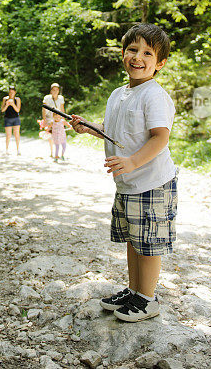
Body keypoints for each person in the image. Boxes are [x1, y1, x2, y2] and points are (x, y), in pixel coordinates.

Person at [69, 23, 177, 322]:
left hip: (152, 181)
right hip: (128, 184)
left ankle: (148, 299)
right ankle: (134, 290)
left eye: (147, 53)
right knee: (133, 239)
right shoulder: (118, 94)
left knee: (148, 243)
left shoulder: (154, 95)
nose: (137, 57)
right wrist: (89, 127)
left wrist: (132, 162)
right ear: (123, 53)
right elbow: (114, 132)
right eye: (132, 50)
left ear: (160, 62)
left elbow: (160, 137)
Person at [42, 83, 65, 158]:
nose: (55, 91)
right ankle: (52, 152)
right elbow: (44, 109)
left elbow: (62, 109)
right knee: (51, 136)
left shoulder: (61, 98)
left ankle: (57, 152)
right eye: (53, 90)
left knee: (58, 135)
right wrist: (44, 120)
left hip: (57, 119)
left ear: (58, 90)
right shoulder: (47, 98)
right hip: (49, 118)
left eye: (56, 90)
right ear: (51, 91)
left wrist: (63, 119)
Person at [0, 86, 22, 155]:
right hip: (7, 118)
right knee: (8, 135)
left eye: (12, 92)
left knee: (16, 134)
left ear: (15, 92)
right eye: (10, 92)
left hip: (16, 118)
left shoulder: (17, 99)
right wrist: (7, 105)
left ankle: (18, 149)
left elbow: (18, 110)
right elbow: (2, 110)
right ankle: (7, 150)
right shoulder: (5, 99)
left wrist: (12, 104)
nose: (11, 94)